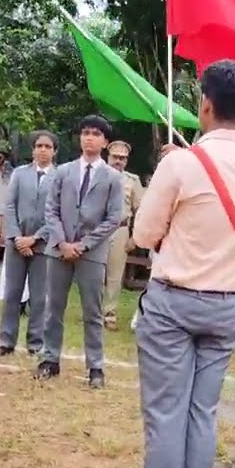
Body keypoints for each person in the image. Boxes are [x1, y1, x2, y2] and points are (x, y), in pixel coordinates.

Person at [108, 60, 235, 468]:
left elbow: (144, 235)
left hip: (174, 302)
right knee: (201, 418)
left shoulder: (181, 164)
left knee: (166, 418)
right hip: (226, 308)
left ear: (204, 105)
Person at [36, 115, 123, 388]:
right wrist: (62, 242)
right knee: (53, 307)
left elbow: (114, 218)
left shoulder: (113, 178)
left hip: (92, 253)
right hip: (59, 249)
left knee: (92, 311)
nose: (89, 138)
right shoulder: (63, 171)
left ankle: (95, 366)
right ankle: (50, 358)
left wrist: (84, 244)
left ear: (105, 142)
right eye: (86, 133)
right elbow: (51, 209)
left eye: (96, 134)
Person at [0, 130, 58, 357]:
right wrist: (18, 237)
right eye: (39, 146)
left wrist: (35, 238)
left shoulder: (60, 177)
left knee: (39, 298)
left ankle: (35, 343)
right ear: (33, 149)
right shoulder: (20, 174)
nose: (43, 150)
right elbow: (10, 206)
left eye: (48, 147)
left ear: (54, 151)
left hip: (43, 246)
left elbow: (58, 213)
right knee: (12, 293)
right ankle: (6, 341)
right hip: (16, 243)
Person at [102, 140, 144, 330]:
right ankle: (92, 311)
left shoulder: (132, 181)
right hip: (96, 229)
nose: (118, 161)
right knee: (93, 272)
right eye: (115, 157)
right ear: (108, 157)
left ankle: (109, 312)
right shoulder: (97, 175)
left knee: (115, 274)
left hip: (120, 229)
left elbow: (141, 210)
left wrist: (135, 237)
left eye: (122, 158)